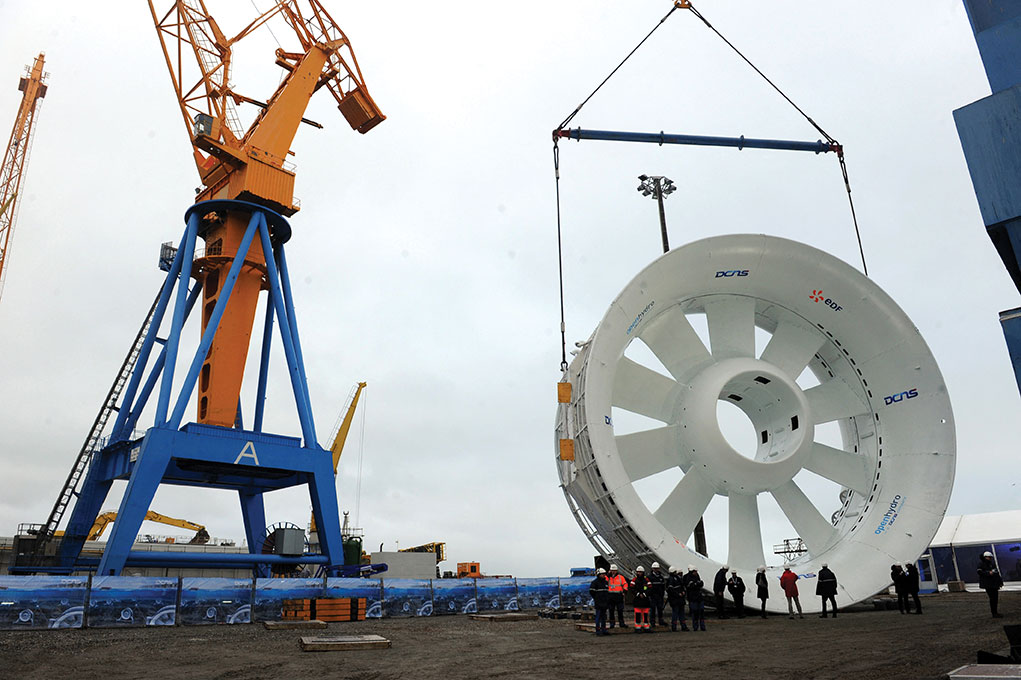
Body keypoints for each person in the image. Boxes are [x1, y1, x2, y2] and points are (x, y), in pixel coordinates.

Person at [978, 551, 1004, 618]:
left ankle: (995, 612)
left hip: (994, 584)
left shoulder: (992, 564)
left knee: (995, 598)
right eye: (989, 557)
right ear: (985, 557)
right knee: (992, 598)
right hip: (988, 584)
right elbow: (979, 572)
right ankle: (994, 613)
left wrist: (1000, 582)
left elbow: (996, 573)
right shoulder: (981, 564)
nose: (990, 558)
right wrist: (988, 573)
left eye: (990, 557)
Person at [666, 566, 689, 631]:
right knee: (676, 613)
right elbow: (671, 590)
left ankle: (683, 626)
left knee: (681, 613)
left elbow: (682, 586)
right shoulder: (671, 579)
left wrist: (683, 592)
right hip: (675, 599)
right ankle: (674, 626)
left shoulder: (677, 578)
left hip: (679, 599)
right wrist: (678, 594)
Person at [589, 567, 610, 636]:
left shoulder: (606, 582)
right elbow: (591, 592)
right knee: (598, 617)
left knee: (604, 617)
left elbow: (607, 592)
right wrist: (596, 599)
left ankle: (603, 630)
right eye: (602, 574)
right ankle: (598, 630)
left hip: (605, 603)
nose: (604, 575)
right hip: (598, 603)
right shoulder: (595, 583)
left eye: (604, 574)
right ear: (599, 574)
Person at [685, 565, 706, 631]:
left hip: (699, 597)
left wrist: (696, 584)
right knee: (695, 612)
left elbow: (700, 584)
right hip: (693, 598)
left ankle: (702, 626)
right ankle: (695, 627)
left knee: (701, 612)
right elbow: (690, 586)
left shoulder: (697, 576)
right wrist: (696, 584)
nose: (696, 573)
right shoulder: (688, 577)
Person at [607, 564, 629, 629]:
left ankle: (621, 623)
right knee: (611, 610)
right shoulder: (608, 577)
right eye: (612, 570)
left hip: (618, 596)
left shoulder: (620, 577)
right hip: (610, 596)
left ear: (616, 570)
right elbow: (603, 580)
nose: (613, 572)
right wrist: (608, 575)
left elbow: (625, 584)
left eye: (614, 570)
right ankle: (612, 623)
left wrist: (625, 591)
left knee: (620, 610)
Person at [647, 562, 667, 627]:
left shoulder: (661, 577)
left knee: (660, 609)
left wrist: (663, 594)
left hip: (659, 596)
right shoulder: (649, 577)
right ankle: (652, 621)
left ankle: (660, 620)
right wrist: (648, 593)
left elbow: (663, 586)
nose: (656, 570)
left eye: (657, 568)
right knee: (652, 609)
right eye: (655, 568)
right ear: (652, 569)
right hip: (652, 596)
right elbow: (646, 586)